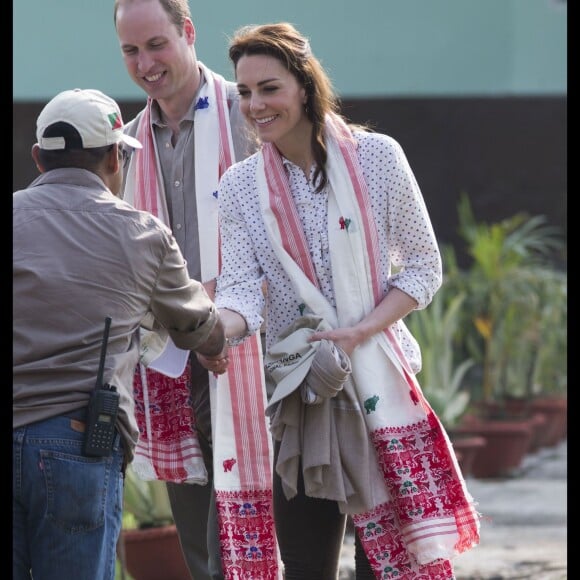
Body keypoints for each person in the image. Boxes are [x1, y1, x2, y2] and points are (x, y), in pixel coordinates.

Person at [212, 22, 482, 579]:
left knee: (387, 566)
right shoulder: (240, 186)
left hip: (379, 382)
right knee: (307, 563)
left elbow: (425, 267)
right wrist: (211, 327)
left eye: (269, 88)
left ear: (304, 87)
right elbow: (242, 291)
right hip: (303, 392)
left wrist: (362, 330)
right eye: (244, 92)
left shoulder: (378, 157)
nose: (254, 105)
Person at [13, 88, 229, 580]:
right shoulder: (142, 234)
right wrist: (217, 346)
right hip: (78, 445)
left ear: (37, 159)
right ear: (115, 156)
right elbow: (197, 325)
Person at [112, 2, 266, 579]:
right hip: (172, 359)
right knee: (199, 539)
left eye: (156, 44)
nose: (146, 64)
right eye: (131, 51)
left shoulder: (248, 114)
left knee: (247, 531)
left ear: (189, 32)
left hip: (254, 347)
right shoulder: (125, 146)